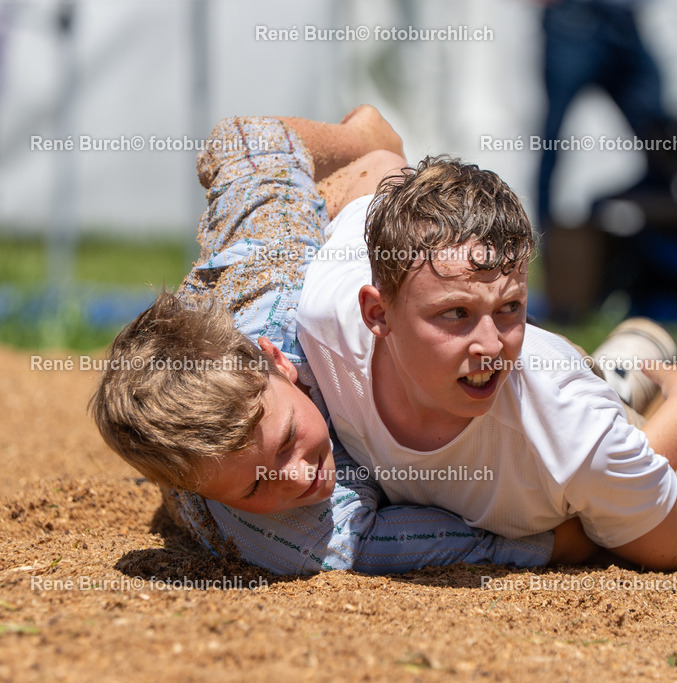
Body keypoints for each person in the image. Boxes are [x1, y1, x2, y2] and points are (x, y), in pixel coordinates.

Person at [295, 135, 677, 569]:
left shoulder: (572, 433)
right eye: (454, 314)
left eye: (511, 308)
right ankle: (622, 366)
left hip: (578, 429)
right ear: (378, 314)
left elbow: (675, 546)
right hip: (566, 415)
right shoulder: (326, 307)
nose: (493, 348)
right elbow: (373, 151)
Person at [91, 108, 593, 575]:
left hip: (288, 286)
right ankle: (620, 374)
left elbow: (246, 141)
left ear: (276, 361)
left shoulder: (270, 282)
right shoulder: (297, 534)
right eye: (252, 486)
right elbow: (515, 543)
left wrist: (363, 140)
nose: (295, 478)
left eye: (288, 439)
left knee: (378, 167)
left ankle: (600, 370)